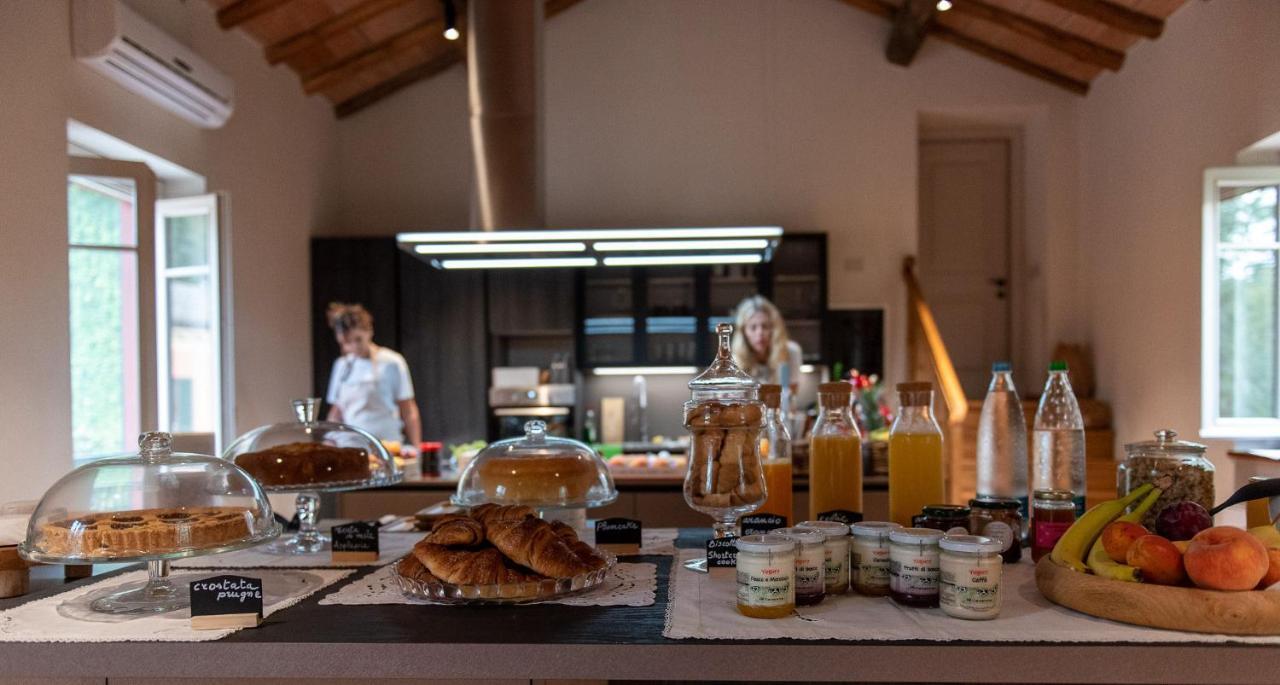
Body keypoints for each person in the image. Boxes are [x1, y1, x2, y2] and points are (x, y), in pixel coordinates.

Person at [324, 302, 421, 458]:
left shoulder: (392, 362)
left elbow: (408, 409)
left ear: (369, 331)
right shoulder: (341, 365)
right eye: (346, 343)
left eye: (357, 340)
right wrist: (328, 442)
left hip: (386, 446)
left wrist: (417, 448)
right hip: (350, 448)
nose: (352, 347)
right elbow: (337, 411)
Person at [731, 295, 803, 390]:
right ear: (744, 332)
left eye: (765, 326)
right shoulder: (735, 361)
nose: (760, 333)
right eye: (753, 327)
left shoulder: (791, 352)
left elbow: (791, 395)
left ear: (774, 329)